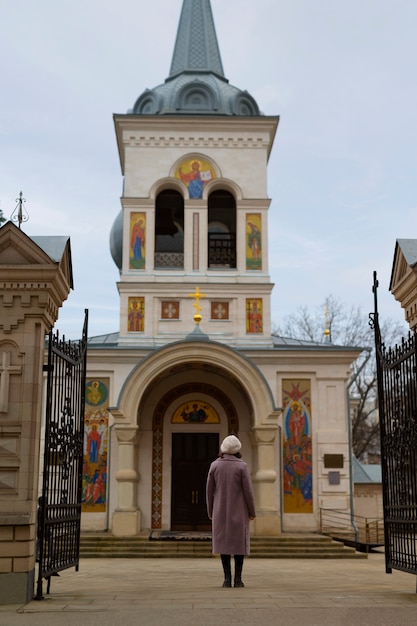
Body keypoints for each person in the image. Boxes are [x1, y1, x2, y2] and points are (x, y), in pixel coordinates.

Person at [206, 434, 256, 588]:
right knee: (239, 545)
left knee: (224, 545)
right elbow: (248, 491)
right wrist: (252, 511)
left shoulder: (215, 465)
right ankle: (238, 580)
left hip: (220, 511)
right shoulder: (242, 466)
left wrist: (210, 511)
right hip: (239, 512)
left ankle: (227, 579)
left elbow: (209, 491)